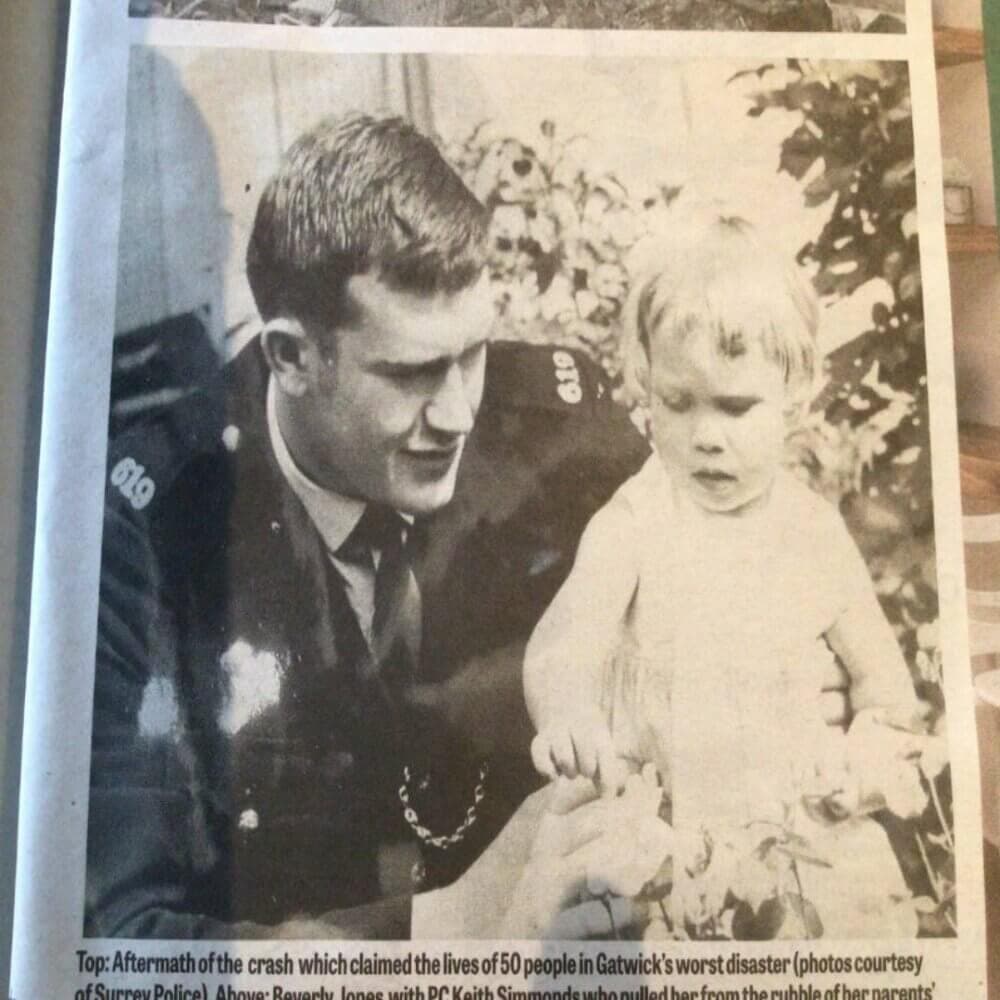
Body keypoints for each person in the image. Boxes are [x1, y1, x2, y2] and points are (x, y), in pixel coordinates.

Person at [86, 111, 652, 940]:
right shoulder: (150, 531)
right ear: (292, 357)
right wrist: (456, 926)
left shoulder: (558, 424)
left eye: (472, 353)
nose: (458, 412)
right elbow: (123, 944)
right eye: (412, 373)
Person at [524, 211, 929, 937]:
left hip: (800, 850)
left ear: (794, 397)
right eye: (678, 403)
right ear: (647, 386)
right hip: (667, 850)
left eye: (736, 407)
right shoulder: (637, 523)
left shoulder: (810, 532)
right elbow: (565, 644)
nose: (705, 435)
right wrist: (568, 715)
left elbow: (887, 690)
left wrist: (860, 760)